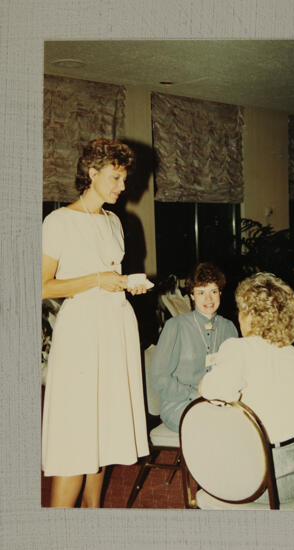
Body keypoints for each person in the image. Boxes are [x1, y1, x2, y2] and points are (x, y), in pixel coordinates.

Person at [42, 138, 150, 507]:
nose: (123, 187)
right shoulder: (58, 221)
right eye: (116, 178)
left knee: (102, 433)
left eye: (124, 179)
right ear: (92, 174)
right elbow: (39, 286)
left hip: (115, 327)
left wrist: (123, 284)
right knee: (77, 438)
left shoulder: (115, 221)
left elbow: (110, 274)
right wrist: (96, 281)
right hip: (81, 334)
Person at [200, 272, 294, 506]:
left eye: (240, 310)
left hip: (271, 477)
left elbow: (212, 392)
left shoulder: (238, 348)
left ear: (249, 316)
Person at [149, 262, 238, 432]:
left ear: (220, 292)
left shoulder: (229, 328)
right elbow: (158, 377)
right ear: (191, 296)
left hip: (220, 402)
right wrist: (195, 395)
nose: (208, 299)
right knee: (216, 426)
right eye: (201, 293)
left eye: (213, 291)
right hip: (180, 403)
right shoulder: (175, 326)